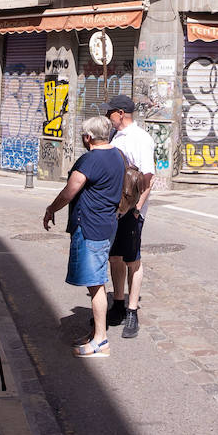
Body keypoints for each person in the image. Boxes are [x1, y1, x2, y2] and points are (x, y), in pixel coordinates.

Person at [43, 114, 125, 358]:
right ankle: (95, 335)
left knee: (96, 283)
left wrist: (50, 209)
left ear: (88, 137)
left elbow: (70, 191)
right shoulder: (117, 155)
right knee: (95, 280)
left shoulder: (91, 160)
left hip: (90, 227)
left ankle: (101, 340)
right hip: (107, 224)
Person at [104, 94, 154, 339]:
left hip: (132, 209)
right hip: (116, 208)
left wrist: (137, 210)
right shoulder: (116, 135)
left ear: (121, 113)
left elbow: (148, 177)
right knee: (115, 257)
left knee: (132, 259)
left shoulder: (140, 138)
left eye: (110, 113)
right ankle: (118, 303)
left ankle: (132, 310)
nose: (108, 117)